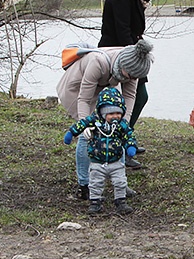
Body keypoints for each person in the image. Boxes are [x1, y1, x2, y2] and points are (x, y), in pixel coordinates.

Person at [57, 39, 154, 201]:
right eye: (129, 75)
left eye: (135, 77)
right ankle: (84, 185)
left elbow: (129, 96)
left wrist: (124, 125)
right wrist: (84, 124)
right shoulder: (98, 62)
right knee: (87, 135)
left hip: (100, 88)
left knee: (116, 134)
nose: (131, 78)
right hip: (75, 89)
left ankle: (120, 183)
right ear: (122, 66)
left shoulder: (132, 67)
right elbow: (84, 99)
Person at [98, 0, 158, 169]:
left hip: (127, 52)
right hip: (119, 55)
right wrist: (135, 59)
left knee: (137, 97)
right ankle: (120, 142)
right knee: (133, 97)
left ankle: (124, 138)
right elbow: (122, 30)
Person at [64, 87, 138, 215]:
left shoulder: (122, 124)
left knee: (120, 181)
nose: (115, 116)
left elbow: (129, 135)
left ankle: (121, 201)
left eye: (118, 113)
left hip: (116, 160)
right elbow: (81, 124)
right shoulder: (95, 121)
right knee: (95, 183)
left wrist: (131, 146)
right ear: (103, 113)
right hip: (97, 160)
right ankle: (95, 202)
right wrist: (71, 133)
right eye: (111, 114)